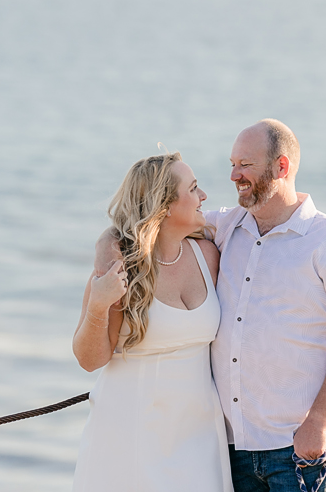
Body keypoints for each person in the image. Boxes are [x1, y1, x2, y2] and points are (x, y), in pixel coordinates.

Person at [95, 120, 326, 492]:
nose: (233, 175)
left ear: (281, 167)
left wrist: (319, 421)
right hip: (233, 450)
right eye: (231, 164)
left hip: (300, 446)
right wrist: (107, 245)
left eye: (245, 164)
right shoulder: (227, 227)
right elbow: (154, 220)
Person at [72, 152, 233, 492]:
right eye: (194, 188)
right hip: (129, 435)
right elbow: (89, 360)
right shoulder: (120, 268)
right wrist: (99, 304)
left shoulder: (209, 256)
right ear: (165, 205)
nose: (204, 195)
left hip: (199, 436)